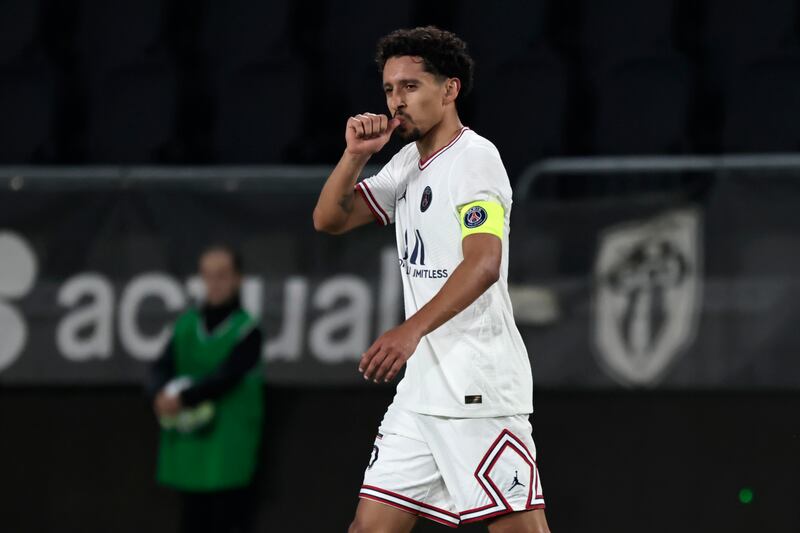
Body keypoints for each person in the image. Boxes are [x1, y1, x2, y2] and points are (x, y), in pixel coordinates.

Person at [313, 26, 550, 533]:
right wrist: (356, 154)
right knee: (368, 529)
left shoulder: (475, 160)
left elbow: (483, 264)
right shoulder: (405, 163)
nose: (396, 102)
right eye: (389, 89)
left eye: (410, 87)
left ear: (449, 90)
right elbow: (329, 219)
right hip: (421, 393)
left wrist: (410, 329)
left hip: (477, 388)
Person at [146, 245, 263, 533]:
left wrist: (184, 397)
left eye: (222, 275)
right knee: (192, 517)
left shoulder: (247, 330)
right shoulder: (186, 325)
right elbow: (162, 365)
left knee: (227, 518)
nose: (215, 283)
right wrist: (158, 393)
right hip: (190, 443)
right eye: (208, 275)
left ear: (237, 279)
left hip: (228, 443)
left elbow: (228, 376)